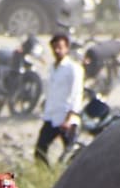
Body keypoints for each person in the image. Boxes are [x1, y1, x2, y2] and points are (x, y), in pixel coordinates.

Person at [35, 33, 84, 165]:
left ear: (67, 48)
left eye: (60, 47)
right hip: (51, 116)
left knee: (70, 154)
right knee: (40, 150)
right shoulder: (52, 68)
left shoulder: (73, 68)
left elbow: (76, 93)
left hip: (66, 117)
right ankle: (46, 176)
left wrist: (69, 118)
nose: (57, 51)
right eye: (54, 48)